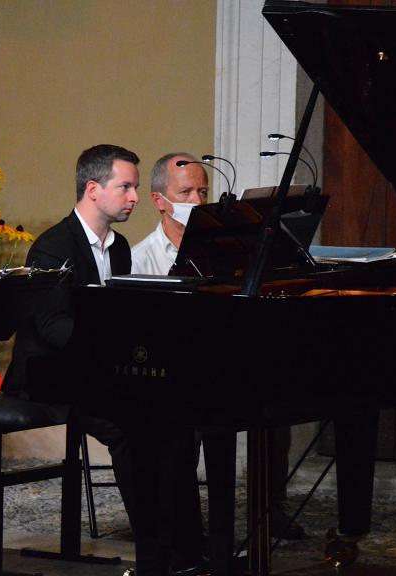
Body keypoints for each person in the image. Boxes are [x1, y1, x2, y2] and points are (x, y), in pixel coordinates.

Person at [4, 145, 205, 576]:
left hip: (94, 371)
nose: (134, 197)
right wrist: (110, 360)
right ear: (93, 189)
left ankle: (189, 551)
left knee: (175, 418)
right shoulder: (52, 247)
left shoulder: (119, 247)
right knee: (130, 427)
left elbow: (120, 318)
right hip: (49, 375)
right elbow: (55, 329)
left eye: (135, 187)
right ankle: (154, 557)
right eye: (126, 187)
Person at [131, 152, 306, 541]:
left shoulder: (224, 249)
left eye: (203, 192)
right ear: (159, 200)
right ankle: (182, 523)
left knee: (274, 409)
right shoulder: (140, 258)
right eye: (186, 192)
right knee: (184, 424)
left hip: (222, 361)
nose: (196, 202)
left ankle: (268, 509)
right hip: (172, 373)